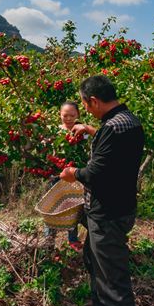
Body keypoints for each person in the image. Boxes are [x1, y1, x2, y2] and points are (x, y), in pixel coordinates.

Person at [60, 75, 145, 306]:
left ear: (93, 101)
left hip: (107, 214)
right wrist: (93, 132)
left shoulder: (112, 127)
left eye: (85, 106)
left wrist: (73, 172)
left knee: (115, 285)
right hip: (121, 207)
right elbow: (115, 154)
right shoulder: (129, 121)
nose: (86, 111)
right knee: (92, 257)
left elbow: (97, 172)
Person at [43, 101, 92, 251]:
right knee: (52, 207)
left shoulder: (82, 133)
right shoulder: (55, 132)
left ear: (78, 115)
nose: (69, 118)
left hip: (75, 175)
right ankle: (49, 240)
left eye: (72, 115)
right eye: (65, 115)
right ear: (60, 115)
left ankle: (72, 238)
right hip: (57, 176)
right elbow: (47, 153)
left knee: (73, 207)